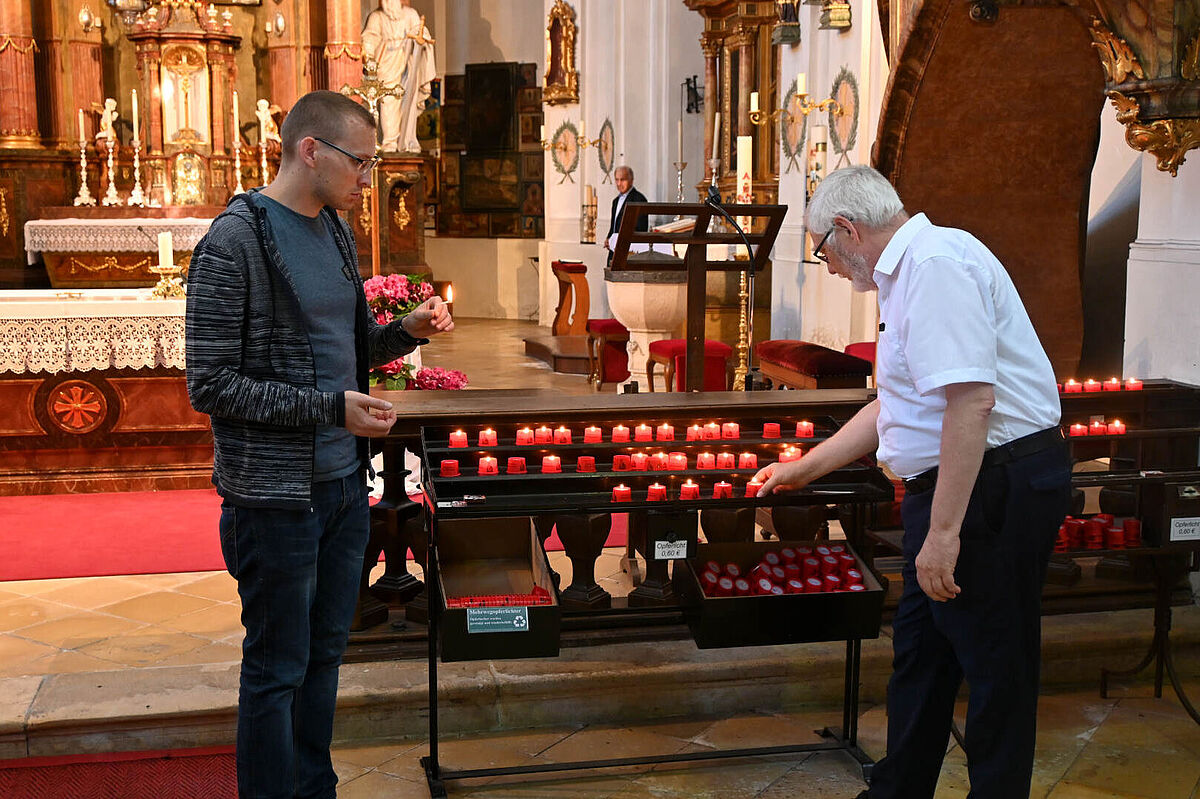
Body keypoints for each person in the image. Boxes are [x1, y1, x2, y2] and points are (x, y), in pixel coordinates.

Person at [754, 165, 1070, 799]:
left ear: (848, 229)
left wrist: (945, 532)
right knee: (921, 659)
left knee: (993, 667)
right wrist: (802, 469)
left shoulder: (934, 268)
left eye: (824, 253)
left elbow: (971, 402)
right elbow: (893, 407)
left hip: (989, 491)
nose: (832, 269)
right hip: (962, 487)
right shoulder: (909, 274)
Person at [185, 89, 453, 799]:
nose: (368, 177)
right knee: (277, 667)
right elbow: (210, 384)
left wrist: (409, 330)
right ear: (312, 151)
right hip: (274, 497)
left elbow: (353, 344)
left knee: (327, 654)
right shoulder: (233, 243)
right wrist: (330, 409)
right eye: (359, 162)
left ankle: (315, 788)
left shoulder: (334, 231)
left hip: (341, 487)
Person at [361, 0, 436, 153]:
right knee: (389, 101)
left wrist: (421, 38)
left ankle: (407, 140)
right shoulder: (376, 17)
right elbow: (370, 38)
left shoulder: (410, 14)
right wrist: (368, 55)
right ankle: (390, 142)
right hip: (386, 64)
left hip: (408, 65)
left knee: (408, 100)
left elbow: (420, 32)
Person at [604, 165, 649, 254]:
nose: (619, 183)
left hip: (629, 252)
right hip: (613, 252)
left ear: (631, 180)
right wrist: (609, 238)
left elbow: (641, 229)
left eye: (623, 179)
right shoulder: (615, 201)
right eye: (617, 180)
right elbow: (614, 226)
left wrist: (620, 242)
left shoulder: (639, 199)